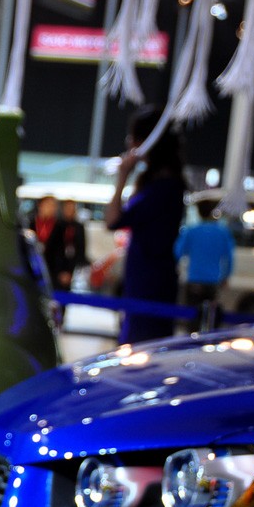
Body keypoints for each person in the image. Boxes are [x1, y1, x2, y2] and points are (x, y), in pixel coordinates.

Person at [104, 106, 187, 344]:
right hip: (150, 278)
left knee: (140, 346)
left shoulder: (161, 188)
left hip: (148, 281)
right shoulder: (165, 183)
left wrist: (122, 175)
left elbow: (113, 220)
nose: (130, 143)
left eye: (135, 137)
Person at [175, 197, 234, 332]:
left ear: (199, 212)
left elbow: (178, 252)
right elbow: (229, 258)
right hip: (213, 281)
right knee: (210, 320)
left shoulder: (191, 231)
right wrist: (226, 276)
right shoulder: (222, 232)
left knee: (192, 320)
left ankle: (193, 342)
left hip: (194, 280)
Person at [45, 198, 89, 290]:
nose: (70, 211)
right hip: (57, 268)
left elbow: (81, 248)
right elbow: (53, 250)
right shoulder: (57, 225)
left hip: (74, 267)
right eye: (68, 208)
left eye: (73, 208)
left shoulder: (79, 227)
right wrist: (60, 271)